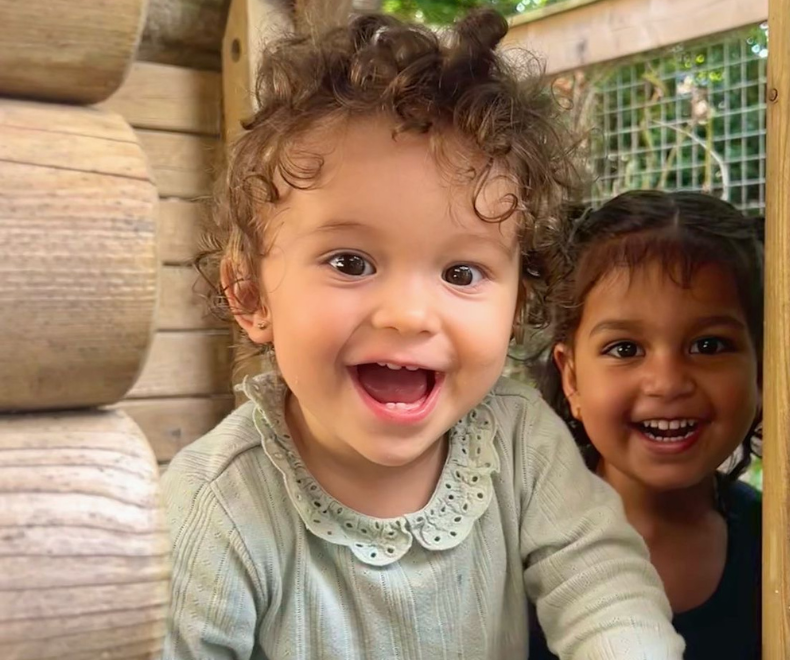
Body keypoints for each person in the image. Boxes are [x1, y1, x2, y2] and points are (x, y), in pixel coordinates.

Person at [161, 11, 684, 660]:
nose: (409, 315)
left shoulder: (520, 444)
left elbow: (606, 589)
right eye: (350, 262)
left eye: (462, 272)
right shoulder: (215, 506)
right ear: (250, 295)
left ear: (518, 302)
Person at [528, 190, 763, 659]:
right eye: (625, 349)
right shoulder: (510, 547)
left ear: (764, 367)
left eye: (709, 346)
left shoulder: (781, 547)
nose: (667, 383)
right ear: (570, 377)